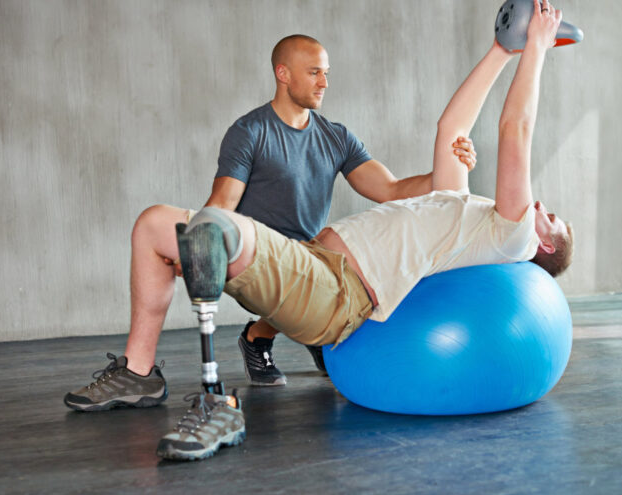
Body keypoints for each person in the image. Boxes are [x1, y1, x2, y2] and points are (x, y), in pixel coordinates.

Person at [156, 0, 574, 461]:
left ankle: (226, 362)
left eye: (549, 215)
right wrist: (501, 50)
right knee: (170, 224)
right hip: (318, 259)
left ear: (543, 243)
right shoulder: (464, 206)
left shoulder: (512, 236)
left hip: (337, 284)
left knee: (208, 228)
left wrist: (536, 46)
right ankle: (224, 324)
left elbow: (515, 129)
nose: (539, 204)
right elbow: (451, 126)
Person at [64, 35, 477, 411]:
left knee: (332, 272)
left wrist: (448, 167)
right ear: (283, 74)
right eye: (314, 72)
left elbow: (391, 189)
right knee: (157, 226)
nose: (324, 83)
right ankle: (140, 373)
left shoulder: (336, 137)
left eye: (326, 73)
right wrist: (192, 246)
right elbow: (222, 203)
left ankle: (270, 336)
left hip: (313, 266)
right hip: (258, 260)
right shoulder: (250, 132)